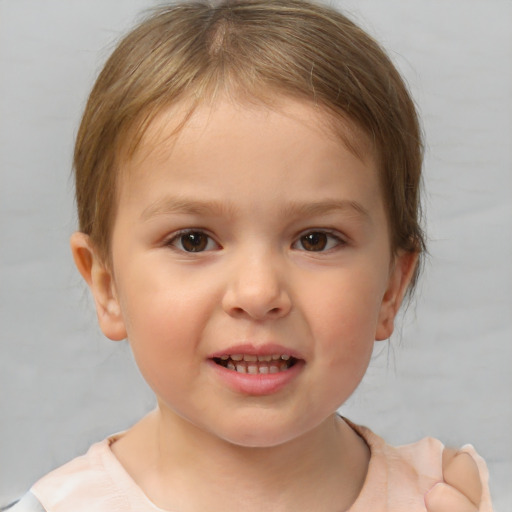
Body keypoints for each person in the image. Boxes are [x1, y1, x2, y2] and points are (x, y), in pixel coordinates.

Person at [6, 0, 493, 510]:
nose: (259, 294)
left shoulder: (443, 497)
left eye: (315, 240)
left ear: (391, 287)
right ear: (106, 285)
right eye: (193, 240)